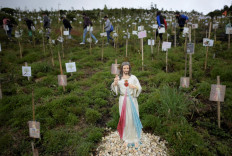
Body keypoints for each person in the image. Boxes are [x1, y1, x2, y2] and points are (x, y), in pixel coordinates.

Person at [111, 62, 143, 149]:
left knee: (133, 118)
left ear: (129, 69)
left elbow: (139, 87)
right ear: (121, 69)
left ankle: (135, 138)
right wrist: (115, 83)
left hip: (132, 99)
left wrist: (135, 87)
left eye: (127, 68)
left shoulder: (133, 77)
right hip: (122, 100)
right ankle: (126, 138)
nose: (126, 70)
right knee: (124, 118)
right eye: (124, 68)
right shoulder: (119, 78)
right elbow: (115, 90)